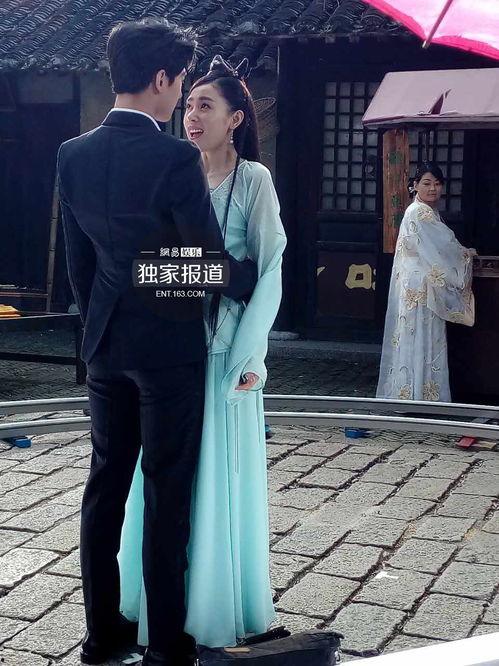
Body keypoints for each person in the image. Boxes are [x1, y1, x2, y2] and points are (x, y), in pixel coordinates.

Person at [57, 20, 258, 666]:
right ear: (163, 78)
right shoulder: (174, 160)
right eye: (180, 85)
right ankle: (165, 645)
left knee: (104, 488)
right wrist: (247, 276)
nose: (181, 100)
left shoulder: (72, 154)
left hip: (104, 345)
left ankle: (100, 635)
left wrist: (101, 322)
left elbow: (80, 266)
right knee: (166, 494)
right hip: (169, 348)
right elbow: (204, 263)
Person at [119, 56, 286, 648]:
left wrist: (250, 355)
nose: (191, 115)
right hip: (172, 344)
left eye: (205, 106)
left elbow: (269, 267)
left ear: (236, 119)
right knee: (163, 478)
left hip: (226, 349)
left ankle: (215, 607)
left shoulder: (254, 180)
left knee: (219, 475)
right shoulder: (174, 170)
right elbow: (153, 265)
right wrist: (216, 272)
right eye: (188, 104)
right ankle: (158, 603)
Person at [377, 162, 475, 403]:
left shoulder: (422, 211)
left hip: (417, 283)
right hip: (421, 285)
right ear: (415, 186)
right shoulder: (420, 212)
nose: (433, 189)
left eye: (437, 184)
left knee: (415, 336)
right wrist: (465, 254)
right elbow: (445, 245)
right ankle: (418, 395)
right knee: (422, 335)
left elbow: (440, 245)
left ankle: (413, 393)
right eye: (427, 183)